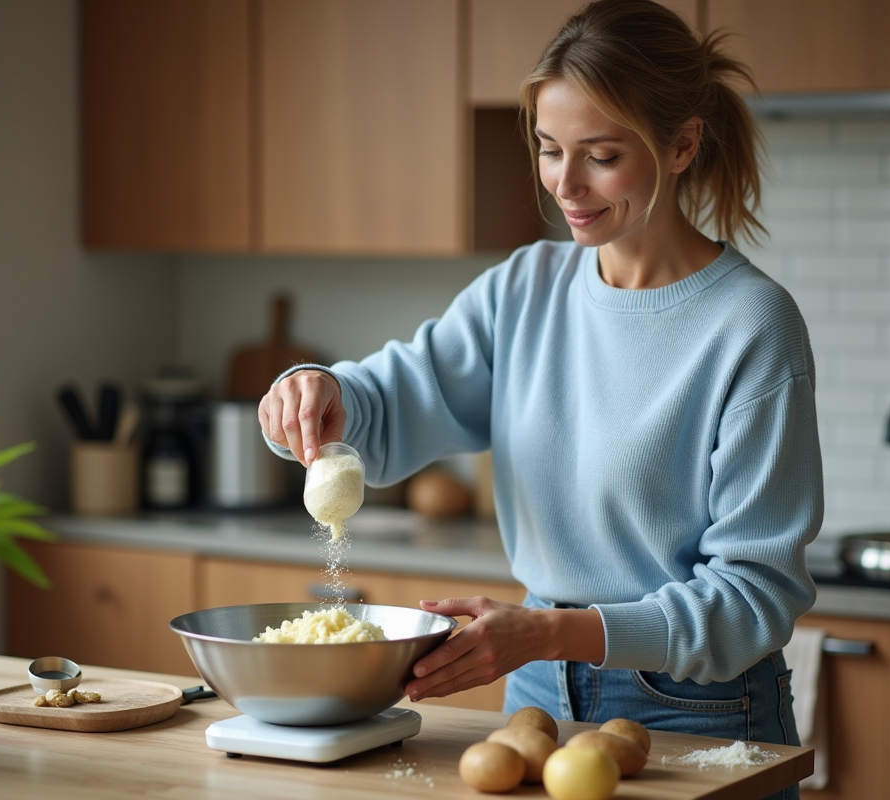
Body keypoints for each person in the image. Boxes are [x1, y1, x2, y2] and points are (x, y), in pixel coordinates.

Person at [260, 1, 821, 796]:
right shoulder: (522, 290)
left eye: (600, 155)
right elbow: (386, 405)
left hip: (702, 710)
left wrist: (552, 631)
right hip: (535, 699)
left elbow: (753, 599)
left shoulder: (752, 325)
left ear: (683, 144)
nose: (564, 183)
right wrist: (311, 393)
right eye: (550, 149)